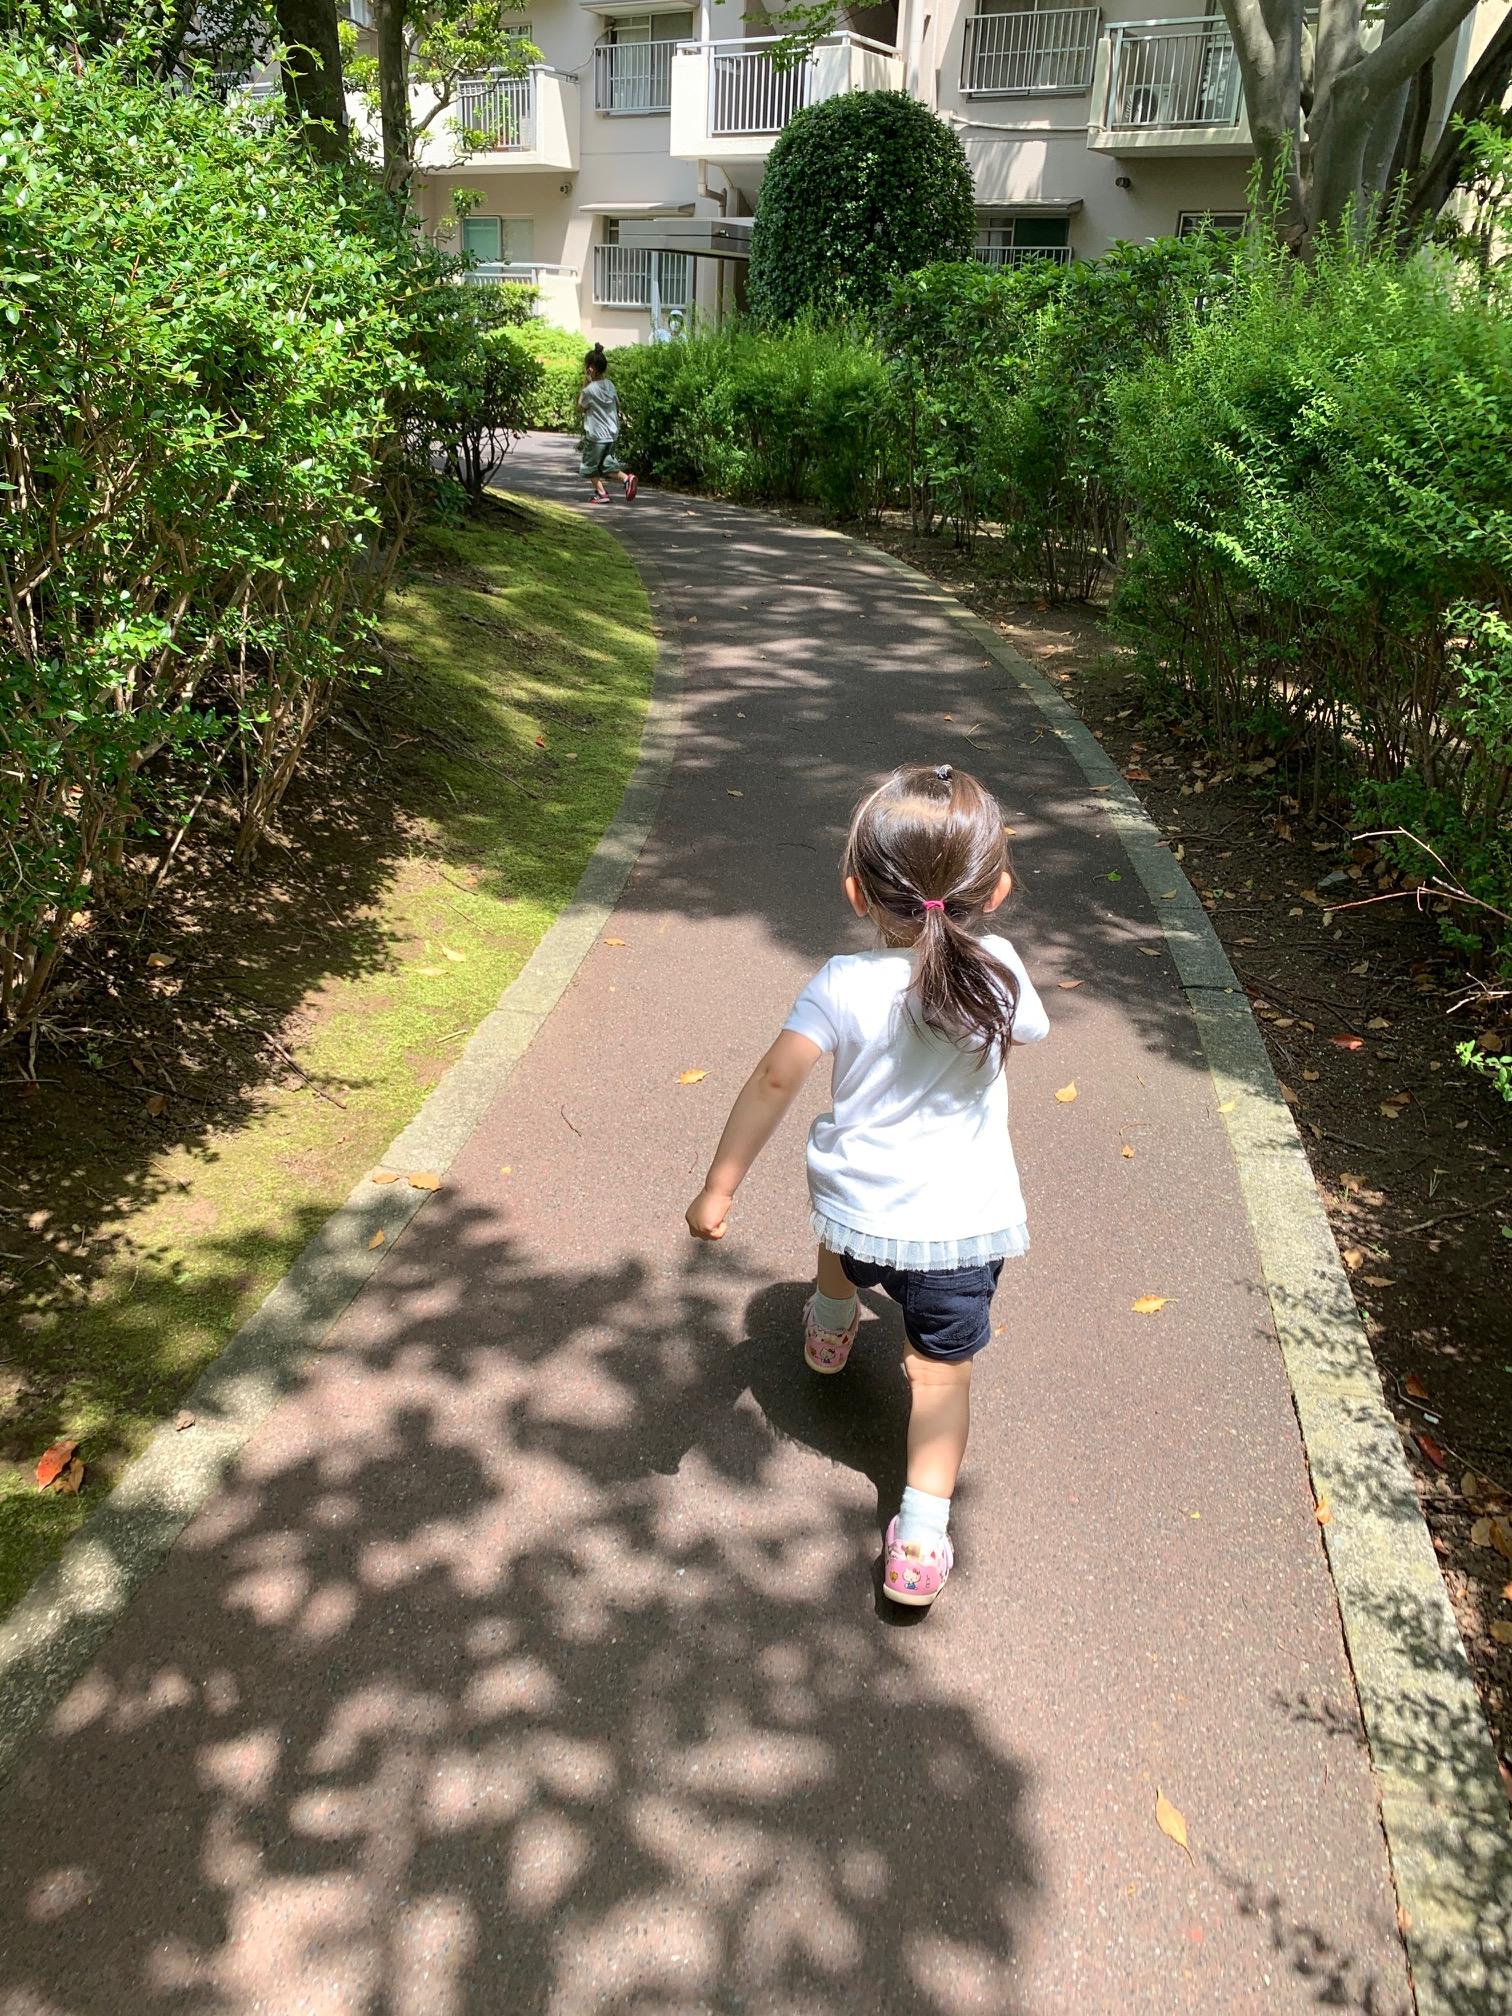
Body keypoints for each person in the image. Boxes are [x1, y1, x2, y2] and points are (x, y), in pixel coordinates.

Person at [685, 764, 1050, 1608]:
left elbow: (774, 1081)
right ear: (996, 891)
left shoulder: (841, 984)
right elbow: (1026, 1031)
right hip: (961, 1230)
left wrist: (718, 1187)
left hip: (859, 1210)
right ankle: (920, 1534)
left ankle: (831, 1317)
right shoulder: (1000, 970)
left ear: (858, 892)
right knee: (940, 1379)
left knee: (838, 1232)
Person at [577, 343, 637, 505]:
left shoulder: (589, 390)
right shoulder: (610, 384)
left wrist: (585, 383)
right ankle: (627, 479)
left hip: (596, 436)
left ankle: (602, 493)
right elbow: (618, 404)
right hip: (611, 434)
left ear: (590, 369)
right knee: (606, 465)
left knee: (588, 466)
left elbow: (580, 407)